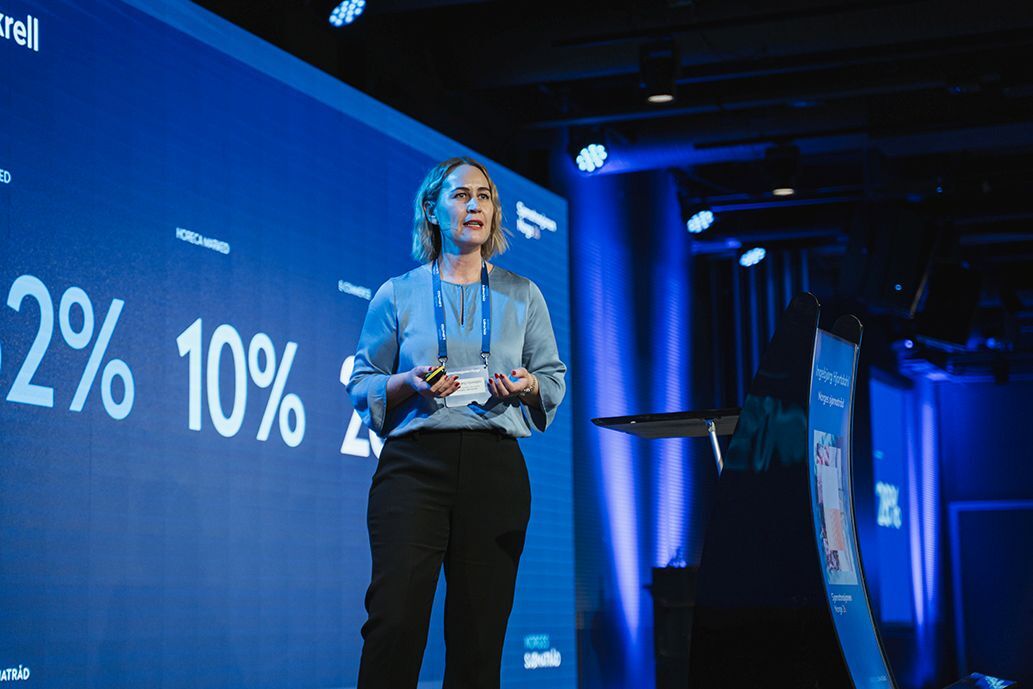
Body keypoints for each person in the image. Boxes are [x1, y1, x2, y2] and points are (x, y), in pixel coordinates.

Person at [346, 156, 567, 689]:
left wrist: (526, 386)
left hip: (494, 470)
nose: (475, 206)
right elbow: (362, 381)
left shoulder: (524, 294)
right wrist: (410, 381)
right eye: (461, 195)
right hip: (414, 469)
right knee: (394, 624)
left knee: (479, 639)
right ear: (432, 211)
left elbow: (551, 378)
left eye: (484, 197)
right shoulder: (397, 293)